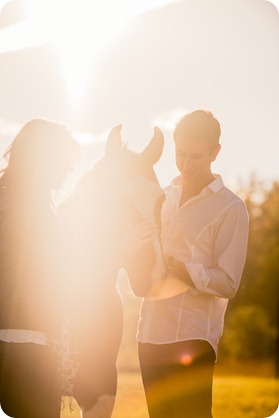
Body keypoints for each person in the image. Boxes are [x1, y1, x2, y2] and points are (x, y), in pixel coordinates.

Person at [128, 109, 249, 418]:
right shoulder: (162, 197)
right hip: (149, 336)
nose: (185, 164)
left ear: (215, 152)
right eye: (180, 154)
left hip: (193, 339)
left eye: (195, 156)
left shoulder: (231, 208)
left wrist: (180, 268)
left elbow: (228, 283)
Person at [0, 118, 79, 418]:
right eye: (63, 160)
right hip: (28, 345)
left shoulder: (6, 197)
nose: (68, 169)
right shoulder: (34, 209)